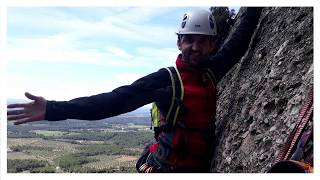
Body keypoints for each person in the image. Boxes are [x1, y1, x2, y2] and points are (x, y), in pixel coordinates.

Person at [7, 7, 262, 173]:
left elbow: (237, 44)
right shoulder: (165, 81)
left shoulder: (211, 71)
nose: (196, 47)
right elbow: (114, 101)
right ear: (179, 41)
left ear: (212, 44)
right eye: (190, 40)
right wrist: (52, 109)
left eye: (203, 41)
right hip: (168, 168)